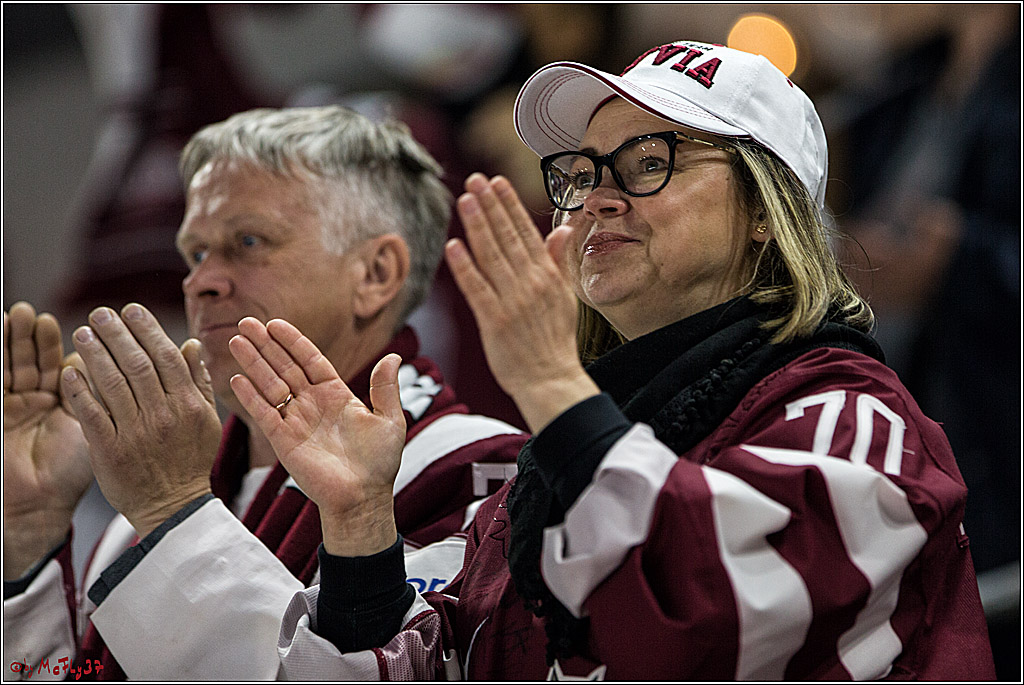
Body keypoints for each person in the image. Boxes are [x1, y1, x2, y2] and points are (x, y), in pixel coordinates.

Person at [230, 42, 997, 680]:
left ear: (767, 210)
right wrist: (361, 525)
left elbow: (707, 627)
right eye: (582, 171)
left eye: (646, 160)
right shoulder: (537, 479)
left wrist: (554, 389)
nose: (595, 197)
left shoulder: (858, 417)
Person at [3, 106, 525, 680]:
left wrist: (175, 516)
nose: (202, 281)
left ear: (376, 273)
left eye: (247, 241)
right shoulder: (136, 525)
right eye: (195, 253)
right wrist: (29, 542)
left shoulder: (481, 474)